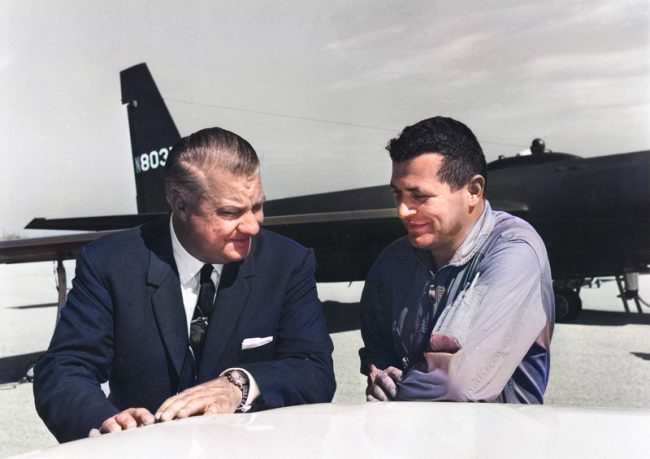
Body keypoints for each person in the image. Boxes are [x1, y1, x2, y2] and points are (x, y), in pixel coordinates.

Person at [34, 127, 336, 443]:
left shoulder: (287, 262)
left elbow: (314, 370)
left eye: (258, 206)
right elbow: (63, 368)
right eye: (231, 212)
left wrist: (239, 386)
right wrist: (106, 422)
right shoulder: (110, 262)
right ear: (180, 205)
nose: (253, 226)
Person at [359, 116, 554, 404]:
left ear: (473, 191)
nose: (402, 210)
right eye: (397, 194)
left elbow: (459, 385)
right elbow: (377, 348)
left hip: (500, 442)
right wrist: (381, 373)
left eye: (419, 196)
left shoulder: (515, 251)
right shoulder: (393, 260)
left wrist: (398, 392)